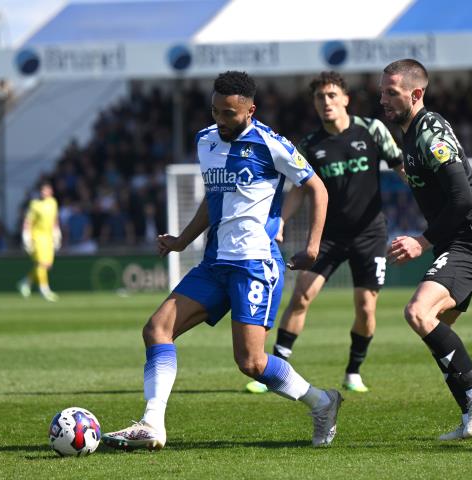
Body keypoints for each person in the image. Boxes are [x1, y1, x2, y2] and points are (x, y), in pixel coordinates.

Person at [102, 71, 340, 451]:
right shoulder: (205, 141)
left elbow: (317, 188)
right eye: (215, 111)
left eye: (229, 113)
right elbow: (213, 201)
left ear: (250, 111)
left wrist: (313, 246)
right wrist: (182, 240)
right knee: (156, 330)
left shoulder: (270, 143)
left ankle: (322, 402)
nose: (220, 120)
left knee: (251, 363)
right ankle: (152, 423)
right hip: (214, 263)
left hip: (254, 265)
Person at [246, 71, 405, 396]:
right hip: (328, 235)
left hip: (369, 234)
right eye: (320, 97)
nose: (326, 102)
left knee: (366, 308)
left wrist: (432, 194)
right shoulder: (309, 144)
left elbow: (401, 167)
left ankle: (353, 371)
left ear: (345, 98)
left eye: (332, 95)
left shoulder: (372, 130)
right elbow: (300, 190)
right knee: (301, 296)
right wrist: (281, 222)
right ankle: (273, 370)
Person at [380, 59, 472, 440]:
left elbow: (462, 199)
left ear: (416, 94)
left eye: (391, 93)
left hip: (468, 238)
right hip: (458, 237)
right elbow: (454, 185)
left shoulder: (430, 129)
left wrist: (421, 240)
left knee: (418, 312)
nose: (383, 99)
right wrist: (470, 195)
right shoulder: (409, 133)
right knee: (437, 329)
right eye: (382, 92)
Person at [17, 181, 61, 302]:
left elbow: (55, 220)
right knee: (41, 263)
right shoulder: (35, 204)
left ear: (50, 191)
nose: (44, 192)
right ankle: (44, 290)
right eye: (42, 190)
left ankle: (26, 282)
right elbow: (28, 222)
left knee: (46, 265)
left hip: (48, 237)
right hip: (37, 236)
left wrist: (57, 234)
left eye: (46, 190)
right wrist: (26, 238)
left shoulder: (53, 203)